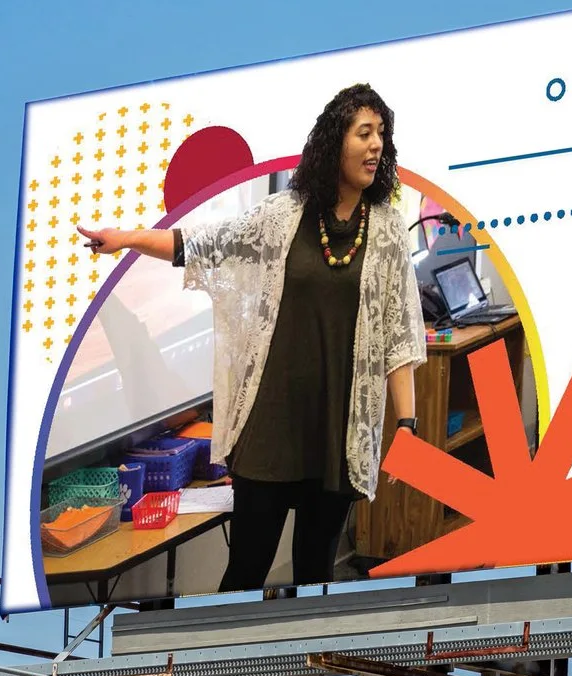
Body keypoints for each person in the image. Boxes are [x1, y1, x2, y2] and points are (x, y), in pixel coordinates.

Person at [79, 83, 426, 591]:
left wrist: (407, 425)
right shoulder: (283, 215)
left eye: (381, 135)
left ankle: (302, 646)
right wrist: (127, 238)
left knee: (315, 578)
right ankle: (220, 648)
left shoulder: (390, 230)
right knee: (246, 571)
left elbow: (400, 337)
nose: (376, 145)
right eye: (364, 133)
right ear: (335, 142)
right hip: (271, 426)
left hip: (339, 431)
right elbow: (203, 245)